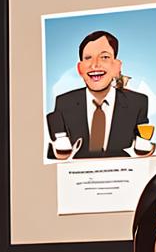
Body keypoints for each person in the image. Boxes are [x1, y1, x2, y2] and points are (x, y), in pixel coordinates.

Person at [46, 30, 150, 159]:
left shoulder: (138, 102)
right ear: (80, 68)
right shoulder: (64, 102)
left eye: (104, 57)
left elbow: (143, 148)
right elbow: (58, 151)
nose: (95, 65)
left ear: (116, 66)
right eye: (88, 58)